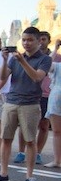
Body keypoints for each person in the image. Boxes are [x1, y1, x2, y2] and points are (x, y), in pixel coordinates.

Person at [0, 27, 52, 181]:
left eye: (30, 40)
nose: (26, 43)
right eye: (24, 40)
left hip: (30, 103)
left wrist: (22, 61)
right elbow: (3, 77)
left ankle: (29, 175)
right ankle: (3, 173)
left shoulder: (44, 59)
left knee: (30, 140)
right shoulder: (15, 58)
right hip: (11, 101)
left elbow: (37, 77)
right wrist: (4, 60)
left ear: (38, 41)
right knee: (6, 138)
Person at [12, 30, 60, 164]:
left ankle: (37, 153)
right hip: (30, 94)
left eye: (44, 39)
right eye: (41, 39)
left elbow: (50, 62)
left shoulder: (53, 57)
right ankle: (21, 152)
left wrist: (56, 49)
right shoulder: (26, 56)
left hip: (46, 95)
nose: (42, 42)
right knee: (24, 125)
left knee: (44, 125)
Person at [44, 40, 61, 168]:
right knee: (56, 131)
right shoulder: (58, 66)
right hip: (56, 100)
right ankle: (57, 160)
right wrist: (55, 49)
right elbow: (47, 64)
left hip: (56, 98)